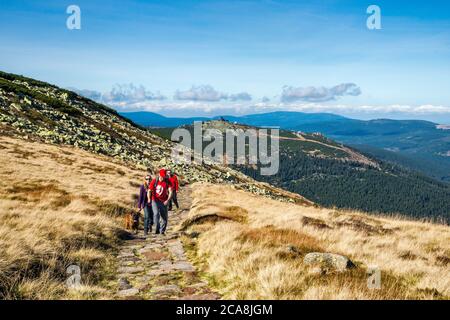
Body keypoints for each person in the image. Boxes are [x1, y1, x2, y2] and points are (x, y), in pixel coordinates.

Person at [149, 169, 173, 235]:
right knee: (156, 214)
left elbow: (170, 191)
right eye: (161, 176)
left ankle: (162, 231)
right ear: (159, 174)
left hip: (164, 201)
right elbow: (149, 190)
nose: (162, 177)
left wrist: (167, 200)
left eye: (163, 176)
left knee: (164, 217)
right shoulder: (154, 181)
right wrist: (149, 198)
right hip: (155, 200)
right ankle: (157, 228)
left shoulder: (167, 181)